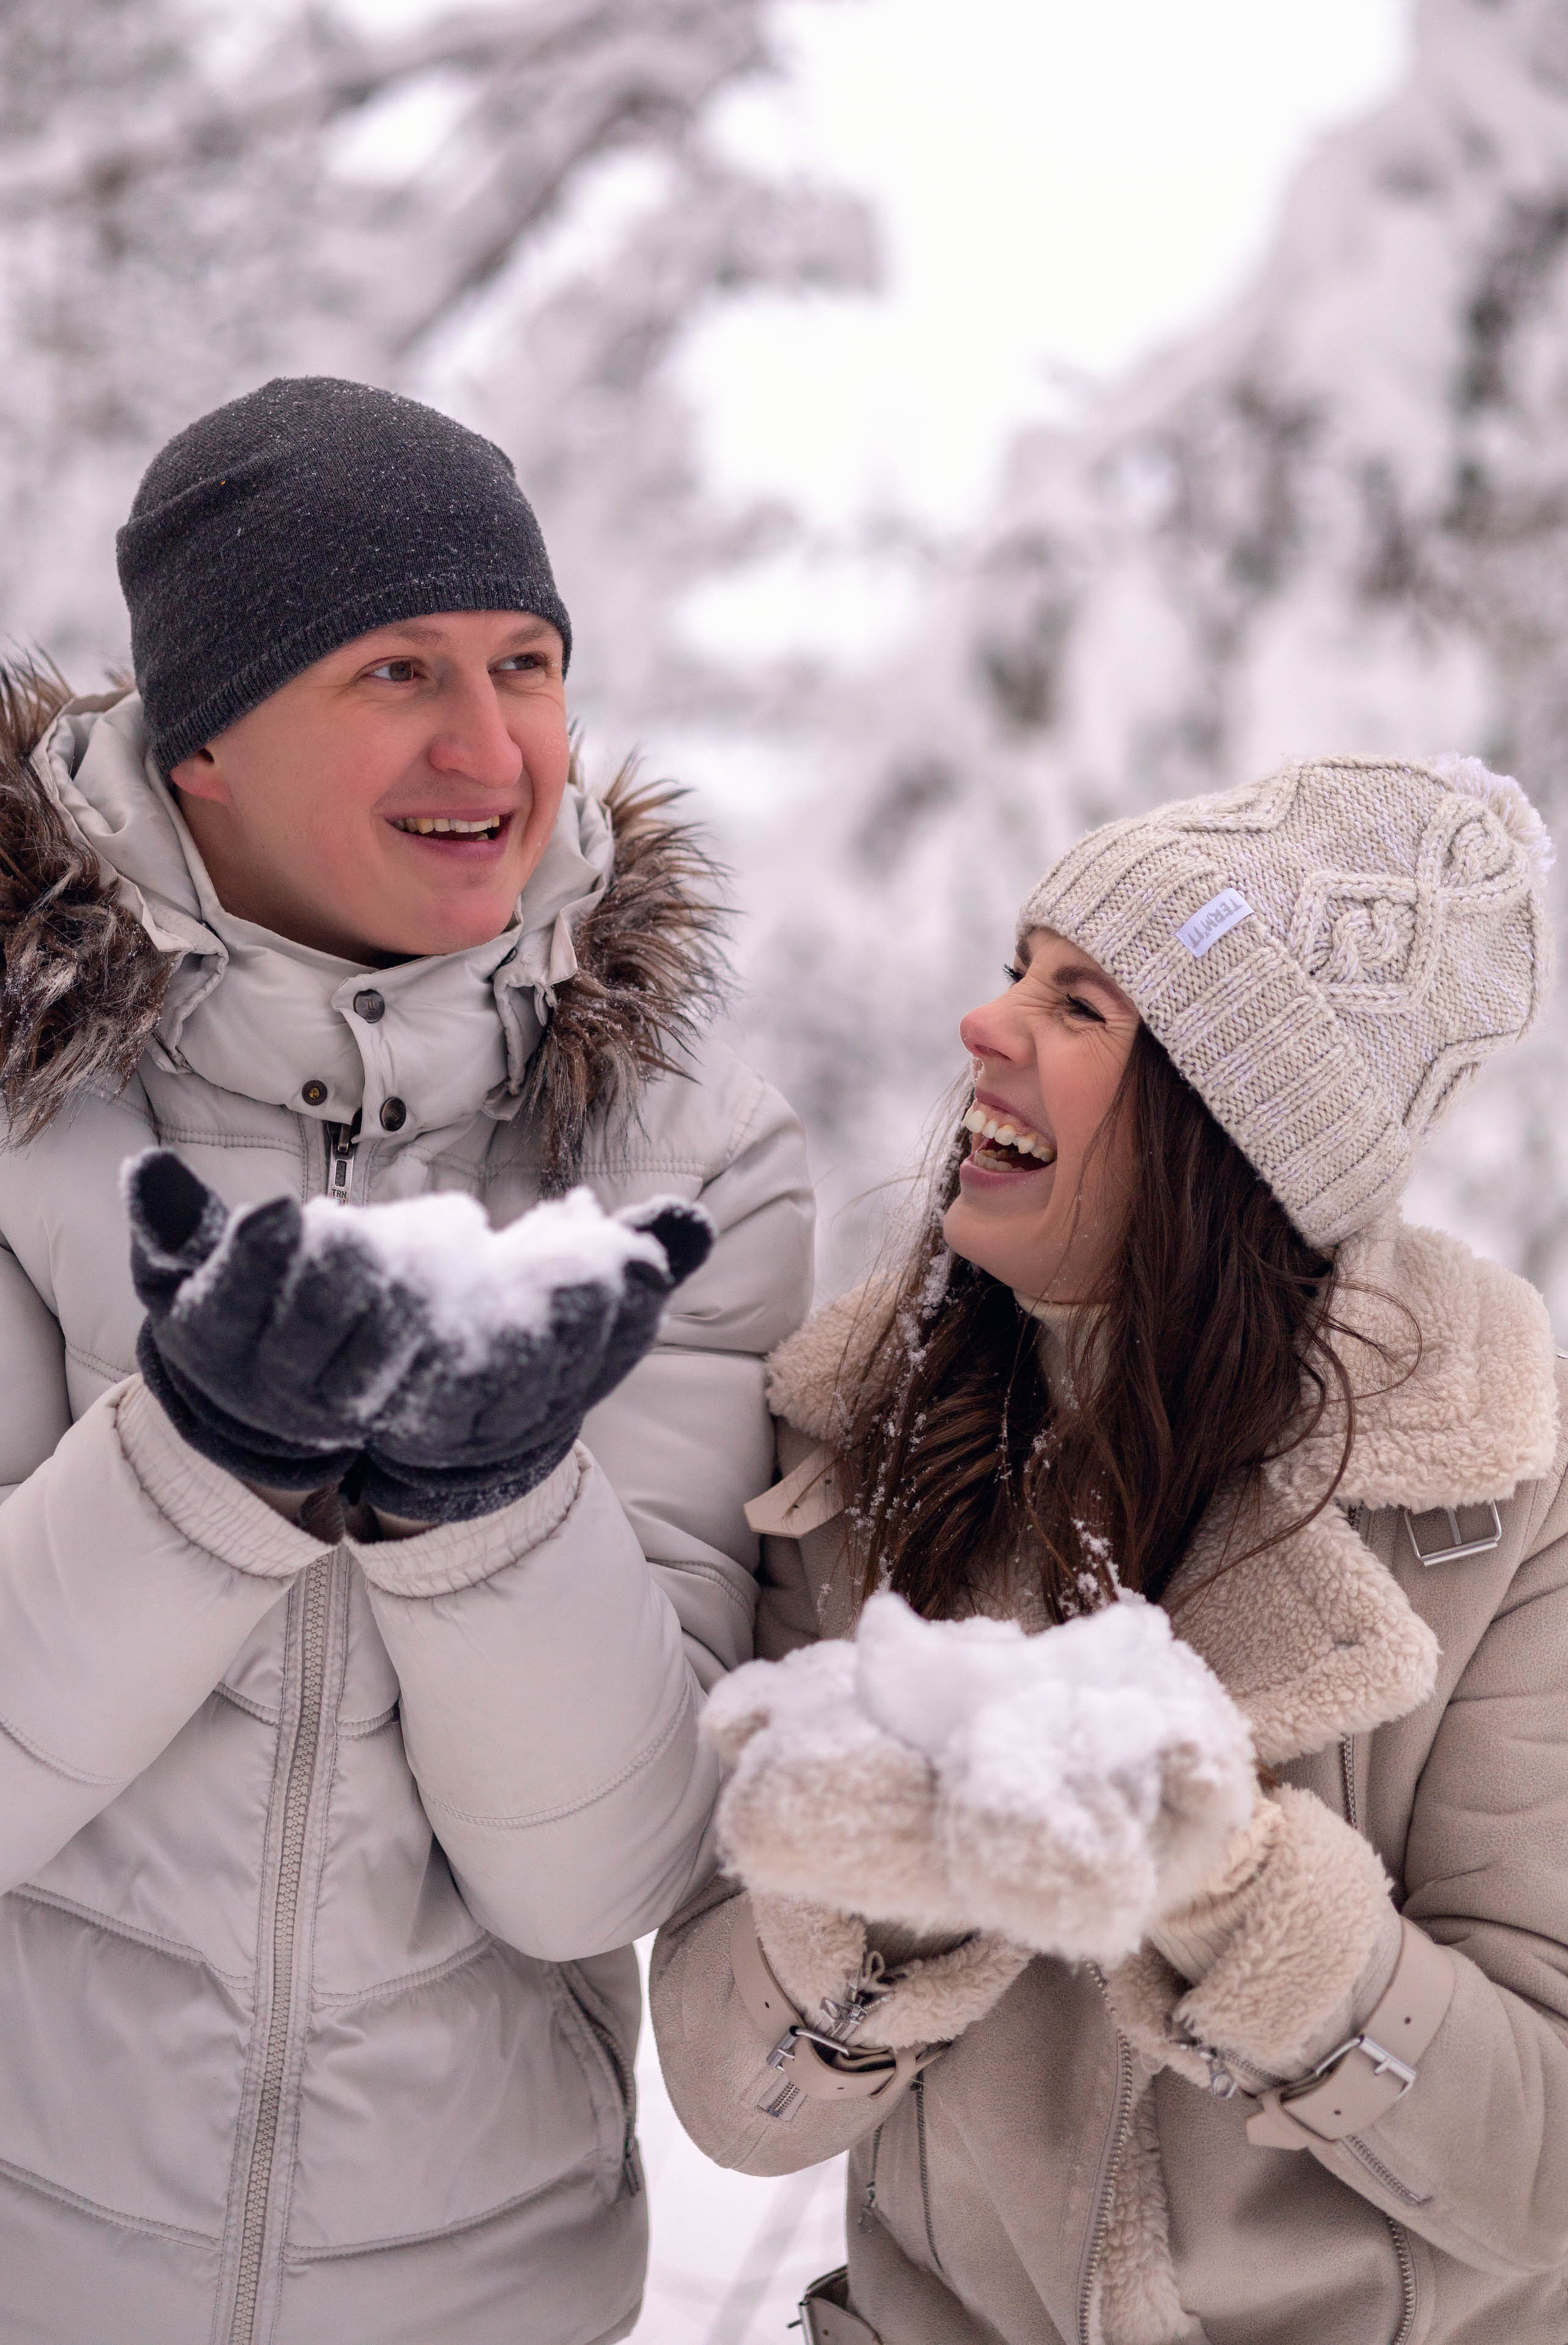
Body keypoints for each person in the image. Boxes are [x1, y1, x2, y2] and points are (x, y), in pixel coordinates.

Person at [0, 375, 813, 2345]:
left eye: (528, 664)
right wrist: (202, 1467)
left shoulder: (687, 1148)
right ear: (198, 737)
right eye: (397, 670)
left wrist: (487, 1511)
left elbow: (602, 1875)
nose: (493, 745)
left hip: (473, 2298)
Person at [653, 753, 1568, 2345]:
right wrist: (887, 1905)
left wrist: (1242, 1899)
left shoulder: (1499, 1507)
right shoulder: (856, 1449)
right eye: (1018, 971)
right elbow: (731, 2104)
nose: (982, 1028)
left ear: (1232, 1128)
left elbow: (1545, 2160)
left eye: (1079, 1008)